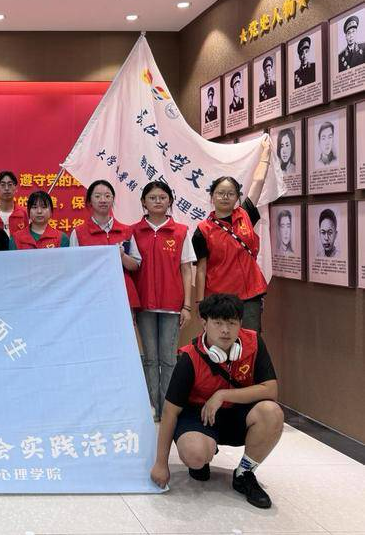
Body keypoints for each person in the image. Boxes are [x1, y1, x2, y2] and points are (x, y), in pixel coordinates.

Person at [150, 294, 283, 509]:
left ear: (240, 323)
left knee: (272, 412)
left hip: (238, 415)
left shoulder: (254, 344)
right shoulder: (189, 358)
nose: (225, 330)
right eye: (218, 323)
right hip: (199, 417)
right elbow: (170, 412)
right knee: (195, 455)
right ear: (204, 323)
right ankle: (204, 454)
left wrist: (222, 395)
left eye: (232, 323)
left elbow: (270, 389)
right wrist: (160, 463)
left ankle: (244, 474)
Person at [193, 137, 271, 332]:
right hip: (218, 297)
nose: (225, 197)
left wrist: (266, 153)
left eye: (230, 193)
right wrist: (201, 302)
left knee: (250, 339)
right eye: (220, 193)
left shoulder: (245, 214)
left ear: (237, 197)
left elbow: (258, 181)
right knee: (220, 342)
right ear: (212, 197)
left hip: (250, 294)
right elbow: (201, 269)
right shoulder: (202, 230)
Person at [132, 181, 194, 422]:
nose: (157, 201)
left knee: (168, 359)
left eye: (162, 197)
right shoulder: (134, 232)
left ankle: (168, 410)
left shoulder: (181, 231)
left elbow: (186, 269)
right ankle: (152, 409)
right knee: (150, 359)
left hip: (172, 306)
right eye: (152, 197)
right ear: (143, 202)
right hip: (144, 305)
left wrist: (187, 305)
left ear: (170, 201)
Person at [69, 180, 140, 309]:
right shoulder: (78, 233)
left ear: (113, 200)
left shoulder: (126, 231)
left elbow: (135, 265)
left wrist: (122, 256)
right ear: (90, 201)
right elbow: (74, 267)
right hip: (91, 296)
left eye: (107, 196)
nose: (103, 200)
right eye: (97, 196)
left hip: (122, 295)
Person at [0, 171, 27, 236]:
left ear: (16, 188)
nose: (6, 188)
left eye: (10, 184)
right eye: (2, 184)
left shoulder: (25, 213)